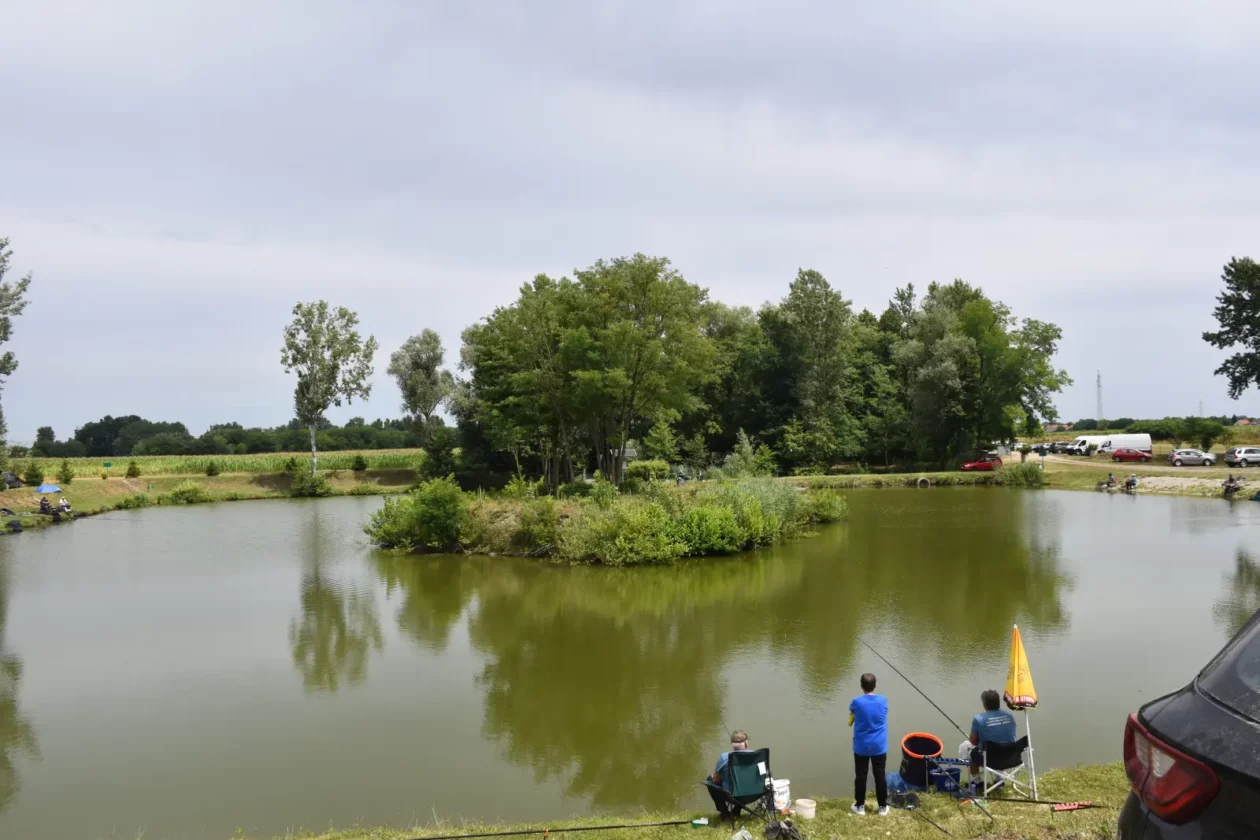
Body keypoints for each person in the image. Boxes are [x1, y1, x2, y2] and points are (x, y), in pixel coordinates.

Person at [849, 673, 889, 817]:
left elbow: (852, 714)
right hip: (879, 746)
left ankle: (860, 806)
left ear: (861, 686)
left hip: (861, 747)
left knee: (861, 775)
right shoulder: (883, 701)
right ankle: (883, 807)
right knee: (880, 775)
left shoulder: (856, 702)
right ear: (875, 685)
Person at [961, 689, 1018, 785]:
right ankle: (1000, 778)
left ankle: (977, 781)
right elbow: (1011, 736)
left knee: (965, 746)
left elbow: (973, 742)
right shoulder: (1010, 715)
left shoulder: (978, 719)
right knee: (1003, 746)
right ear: (998, 702)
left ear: (985, 704)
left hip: (988, 759)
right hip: (1008, 757)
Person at [705, 729, 751, 820]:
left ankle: (724, 813)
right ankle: (736, 810)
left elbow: (716, 780)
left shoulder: (724, 757)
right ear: (746, 744)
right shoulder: (755, 756)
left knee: (710, 779)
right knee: (744, 782)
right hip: (751, 795)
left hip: (731, 796)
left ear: (732, 744)